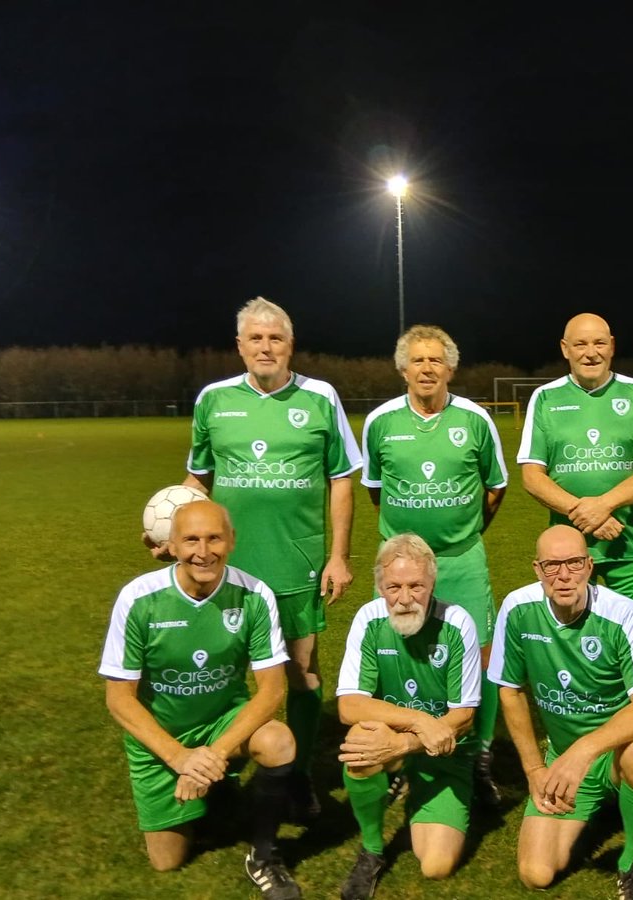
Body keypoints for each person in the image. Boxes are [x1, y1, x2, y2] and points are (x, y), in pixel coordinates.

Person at [178, 296, 362, 818]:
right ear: (239, 346)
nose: (265, 347)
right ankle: (223, 766)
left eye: (274, 338)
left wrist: (338, 557)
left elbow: (342, 479)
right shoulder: (213, 400)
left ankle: (299, 775)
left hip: (296, 564)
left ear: (290, 345)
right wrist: (176, 530)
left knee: (302, 673)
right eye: (255, 338)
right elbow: (198, 477)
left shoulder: (321, 397)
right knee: (225, 671)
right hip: (223, 568)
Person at [101, 500, 302, 899]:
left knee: (278, 741)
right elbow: (119, 699)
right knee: (167, 861)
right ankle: (218, 795)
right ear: (171, 545)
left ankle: (263, 855)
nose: (203, 551)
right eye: (191, 540)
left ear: (232, 541)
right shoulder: (139, 599)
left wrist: (213, 755)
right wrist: (180, 759)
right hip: (162, 738)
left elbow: (273, 690)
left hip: (222, 724)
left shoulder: (254, 595)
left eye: (214, 538)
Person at [361, 325, 507, 805]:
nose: (427, 368)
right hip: (400, 566)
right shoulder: (380, 422)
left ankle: (478, 755)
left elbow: (495, 487)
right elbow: (375, 490)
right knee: (398, 657)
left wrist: (462, 534)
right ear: (403, 368)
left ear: (450, 368)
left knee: (479, 658)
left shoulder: (476, 420)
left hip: (462, 559)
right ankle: (401, 756)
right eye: (417, 360)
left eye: (435, 360)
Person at [489, 525, 633, 899]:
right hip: (564, 756)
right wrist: (536, 770)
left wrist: (584, 751)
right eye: (552, 565)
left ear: (589, 566)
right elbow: (510, 692)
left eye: (573, 563)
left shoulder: (624, 614)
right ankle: (606, 803)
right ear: (537, 570)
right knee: (536, 873)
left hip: (614, 752)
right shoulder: (518, 608)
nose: (564, 575)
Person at [335, 534, 481, 900]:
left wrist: (402, 742)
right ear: (380, 586)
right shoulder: (368, 619)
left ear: (432, 583)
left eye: (416, 586)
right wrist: (418, 721)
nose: (404, 598)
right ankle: (372, 850)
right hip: (402, 740)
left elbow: (463, 717)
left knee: (435, 866)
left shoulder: (457, 623)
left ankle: (416, 785)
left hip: (445, 753)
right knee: (359, 744)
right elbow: (349, 705)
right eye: (393, 586)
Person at [518, 313, 633, 629]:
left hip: (629, 541)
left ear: (612, 346)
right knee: (571, 637)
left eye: (599, 343)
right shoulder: (545, 398)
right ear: (565, 349)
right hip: (566, 549)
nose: (591, 352)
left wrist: (604, 505)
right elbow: (532, 476)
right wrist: (582, 513)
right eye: (580, 344)